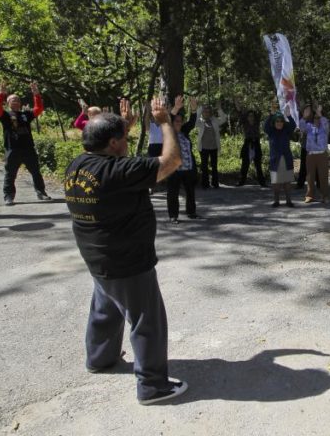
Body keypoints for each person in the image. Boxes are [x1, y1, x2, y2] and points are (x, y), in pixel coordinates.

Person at [64, 97, 187, 405]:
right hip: (128, 259)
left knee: (105, 308)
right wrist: (164, 124)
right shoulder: (118, 172)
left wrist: (124, 128)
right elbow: (171, 161)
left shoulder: (77, 165)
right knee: (146, 319)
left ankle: (100, 358)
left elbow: (116, 155)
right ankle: (152, 386)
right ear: (115, 143)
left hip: (96, 255)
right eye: (124, 139)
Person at [0, 81, 52, 205]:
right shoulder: (5, 115)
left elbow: (39, 109)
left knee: (36, 171)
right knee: (10, 174)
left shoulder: (26, 114)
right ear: (8, 103)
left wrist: (36, 94)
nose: (15, 101)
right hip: (12, 149)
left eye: (17, 100)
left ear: (20, 103)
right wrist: (1, 94)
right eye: (12, 100)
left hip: (28, 148)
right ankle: (9, 197)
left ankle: (41, 193)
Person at [167, 96, 199, 223]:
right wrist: (176, 107)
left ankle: (191, 212)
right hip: (174, 169)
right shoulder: (169, 132)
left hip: (188, 167)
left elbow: (192, 121)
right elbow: (168, 119)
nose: (179, 123)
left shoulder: (184, 131)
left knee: (190, 191)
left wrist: (194, 108)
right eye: (176, 121)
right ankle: (173, 216)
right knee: (173, 193)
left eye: (180, 121)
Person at [265, 105, 297, 207]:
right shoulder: (271, 131)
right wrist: (271, 114)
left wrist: (289, 115)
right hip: (275, 160)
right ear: (274, 122)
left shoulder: (286, 130)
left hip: (286, 159)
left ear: (283, 123)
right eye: (277, 121)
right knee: (276, 183)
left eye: (281, 121)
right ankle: (276, 201)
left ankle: (288, 201)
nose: (279, 123)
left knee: (287, 182)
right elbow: (265, 126)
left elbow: (292, 125)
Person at [298, 104, 330, 203]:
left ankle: (325, 196)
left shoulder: (325, 126)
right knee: (310, 176)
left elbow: (326, 123)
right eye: (315, 117)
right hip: (311, 155)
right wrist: (304, 116)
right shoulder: (308, 126)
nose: (316, 119)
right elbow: (301, 126)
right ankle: (310, 195)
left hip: (322, 154)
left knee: (323, 176)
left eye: (318, 117)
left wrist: (320, 114)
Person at [196, 101, 227, 188]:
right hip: (204, 148)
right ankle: (205, 184)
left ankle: (215, 183)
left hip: (214, 147)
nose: (207, 113)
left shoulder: (214, 121)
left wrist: (219, 109)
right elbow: (194, 121)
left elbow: (224, 119)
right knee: (204, 167)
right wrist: (200, 108)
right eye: (205, 112)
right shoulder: (200, 121)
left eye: (208, 112)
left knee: (214, 166)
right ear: (203, 113)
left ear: (211, 113)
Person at [237, 107, 266, 187]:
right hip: (247, 143)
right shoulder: (245, 123)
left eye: (252, 115)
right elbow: (240, 114)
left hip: (256, 143)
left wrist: (257, 104)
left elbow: (259, 113)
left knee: (258, 165)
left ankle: (262, 182)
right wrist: (239, 105)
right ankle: (241, 181)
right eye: (249, 116)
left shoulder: (257, 122)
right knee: (245, 165)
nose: (251, 117)